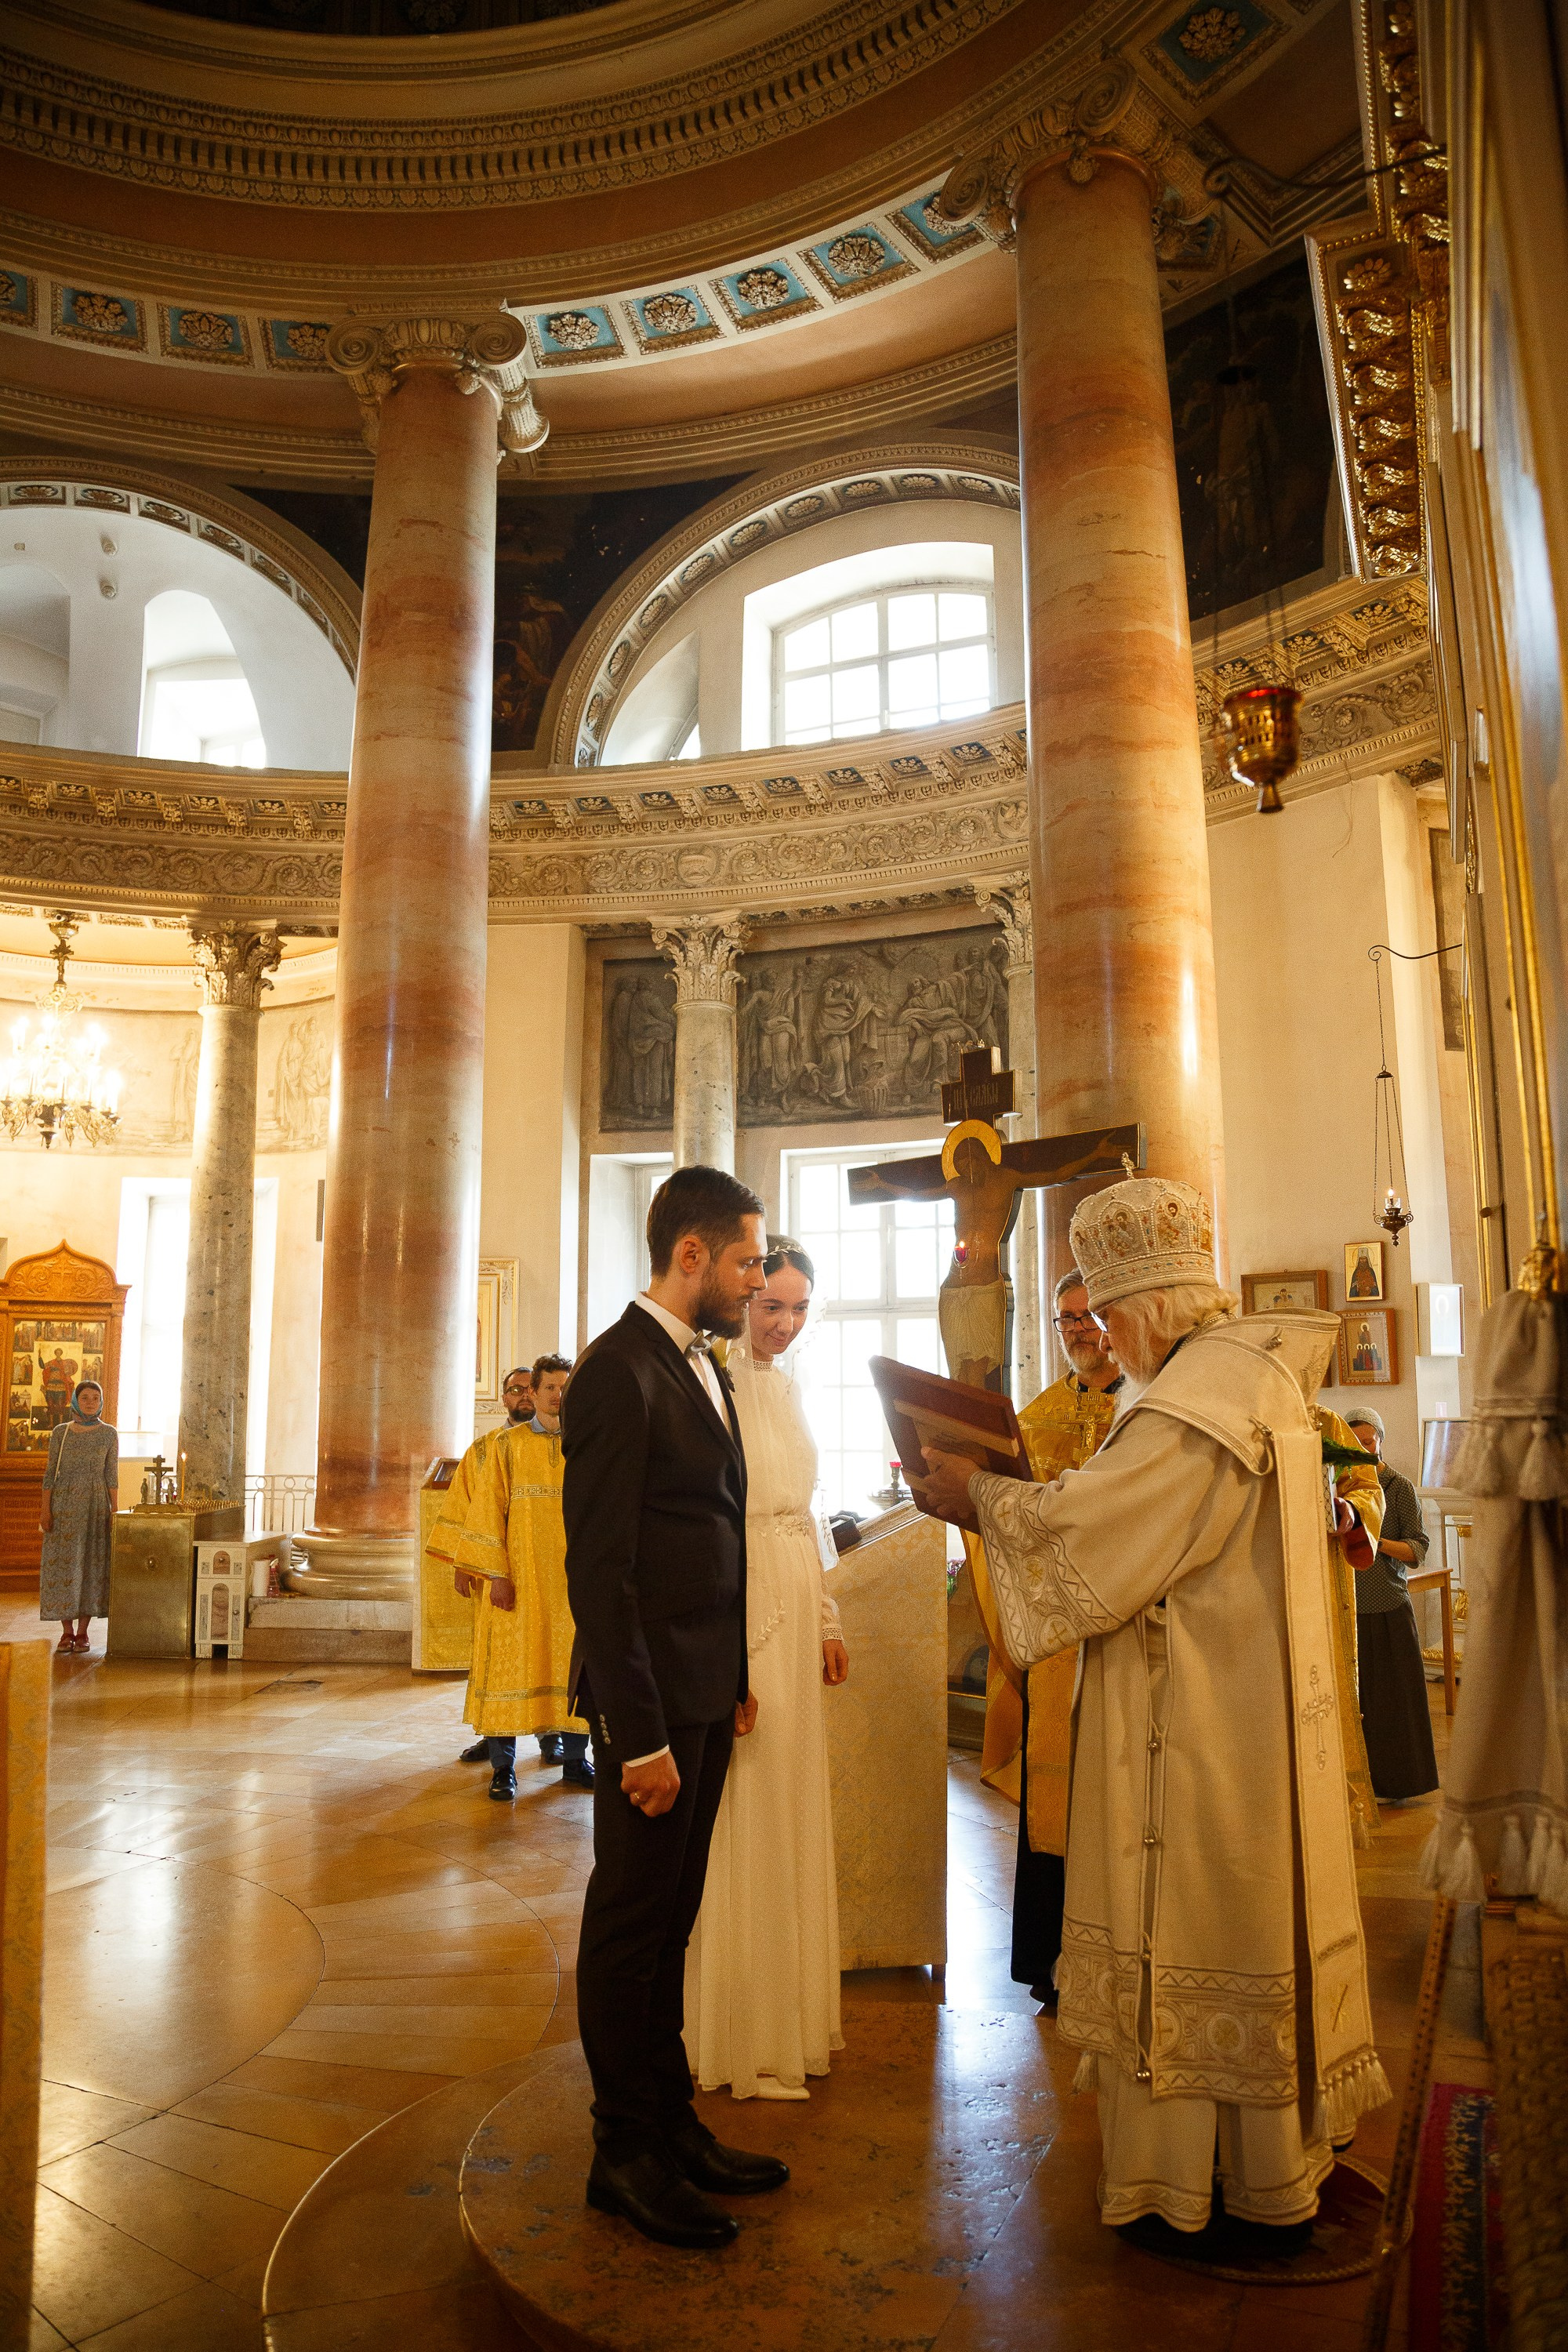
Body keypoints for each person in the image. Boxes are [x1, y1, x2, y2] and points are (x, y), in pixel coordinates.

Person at [908, 1171, 1388, 2255]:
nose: (1106, 1342)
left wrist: (974, 1498)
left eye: (1109, 1320)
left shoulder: (1192, 1402)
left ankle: (1196, 2186)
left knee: (1197, 1934)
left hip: (1202, 1730)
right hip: (1244, 1713)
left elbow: (1099, 1536)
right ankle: (1261, 2165)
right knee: (1247, 1925)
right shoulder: (1248, 1374)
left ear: (1144, 1305)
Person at [562, 1163, 788, 2251]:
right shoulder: (618, 1371)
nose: (758, 1277)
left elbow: (710, 1534)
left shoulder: (698, 1365)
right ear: (690, 1256)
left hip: (703, 1689)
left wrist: (734, 1677)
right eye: (747, 1259)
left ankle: (670, 2122)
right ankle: (622, 2152)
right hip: (649, 1705)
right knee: (630, 1925)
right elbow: (602, 1574)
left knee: (672, 1925)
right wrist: (640, 1730)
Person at [685, 1237, 848, 2103]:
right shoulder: (715, 1385)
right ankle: (738, 2028)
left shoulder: (787, 1387)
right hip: (741, 1601)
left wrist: (825, 1615)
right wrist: (729, 1645)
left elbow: (805, 1510)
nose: (783, 1324)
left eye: (797, 1309)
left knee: (785, 1795)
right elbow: (715, 1520)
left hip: (791, 1590)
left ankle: (788, 2007)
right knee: (742, 1802)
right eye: (770, 1305)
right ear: (742, 1299)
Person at [1005, 1269, 1123, 2005]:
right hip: (1059, 1643)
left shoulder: (1150, 1407)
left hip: (1125, 1629)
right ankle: (1050, 1968)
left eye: (1088, 1316)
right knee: (1053, 1795)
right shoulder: (1037, 1416)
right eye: (1065, 1319)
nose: (1078, 1330)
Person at [455, 1355, 593, 1798]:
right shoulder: (505, 1446)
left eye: (566, 1388)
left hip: (574, 1583)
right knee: (507, 1673)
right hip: (519, 1582)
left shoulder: (588, 1443)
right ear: (532, 1394)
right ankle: (503, 1768)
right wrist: (496, 1574)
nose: (558, 1397)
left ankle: (575, 1760)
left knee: (574, 1670)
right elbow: (487, 1513)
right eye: (549, 1388)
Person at [1347, 1409, 1439, 1804]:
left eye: (1369, 1442)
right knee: (1359, 1703)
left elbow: (1417, 1548)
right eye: (1355, 1444)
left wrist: (1374, 1541)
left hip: (1387, 1606)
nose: (1364, 1450)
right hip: (1349, 1610)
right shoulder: (1341, 1486)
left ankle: (1399, 1783)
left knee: (1394, 1702)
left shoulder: (1397, 1486)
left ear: (1380, 1441)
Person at [40, 1380, 118, 1655]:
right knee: (63, 1566)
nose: (90, 1402)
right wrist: (45, 1509)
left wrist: (113, 1511)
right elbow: (50, 1474)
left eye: (96, 1398)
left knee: (90, 1565)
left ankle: (83, 1632)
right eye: (85, 1397)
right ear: (75, 1400)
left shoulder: (109, 1433)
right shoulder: (60, 1433)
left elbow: (111, 1475)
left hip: (96, 1506)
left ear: (101, 1402)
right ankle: (66, 1632)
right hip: (64, 1506)